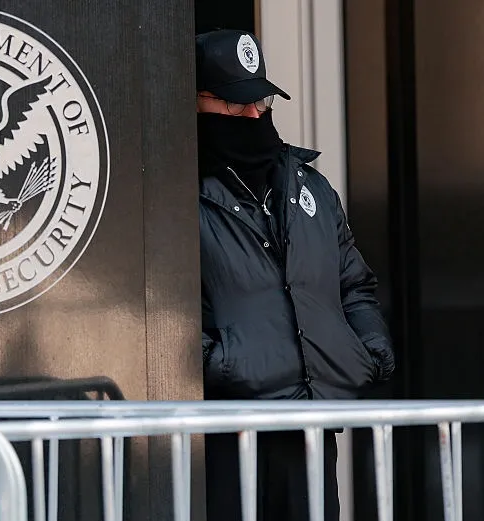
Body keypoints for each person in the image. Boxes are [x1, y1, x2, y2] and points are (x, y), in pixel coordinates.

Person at [196, 29, 395, 521]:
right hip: (224, 430)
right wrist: (224, 364)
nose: (253, 115)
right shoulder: (175, 198)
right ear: (195, 103)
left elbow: (354, 285)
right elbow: (159, 313)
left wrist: (368, 349)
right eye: (234, 103)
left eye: (261, 101)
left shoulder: (312, 188)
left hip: (310, 422)